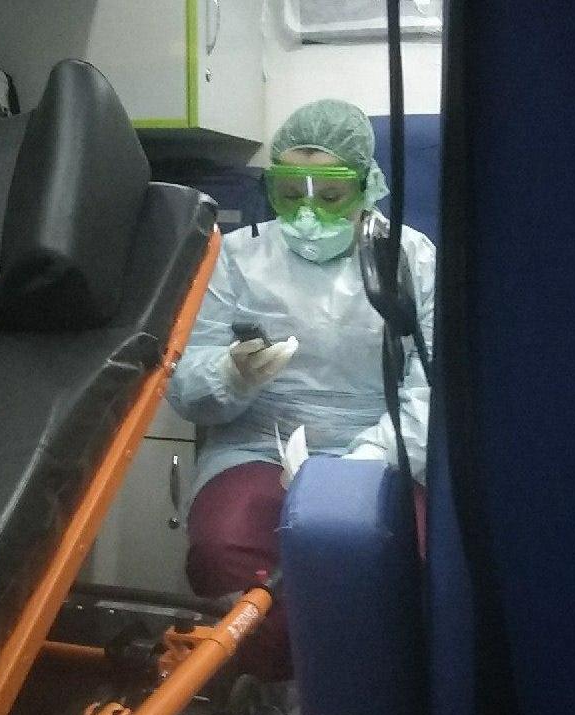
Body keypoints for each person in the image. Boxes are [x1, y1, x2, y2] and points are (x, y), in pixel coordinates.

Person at [168, 99, 434, 683]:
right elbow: (185, 386)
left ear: (368, 186)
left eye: (330, 194)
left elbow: (434, 387)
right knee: (224, 548)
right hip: (259, 444)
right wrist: (229, 374)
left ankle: (366, 696)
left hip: (381, 447)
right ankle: (271, 692)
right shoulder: (235, 255)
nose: (308, 211)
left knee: (400, 553)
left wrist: (371, 457)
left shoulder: (409, 258)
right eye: (290, 192)